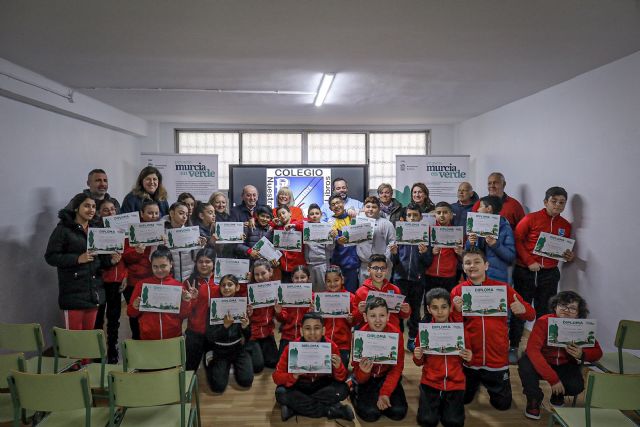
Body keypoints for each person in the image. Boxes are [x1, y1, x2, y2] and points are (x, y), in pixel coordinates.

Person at [450, 250, 535, 411]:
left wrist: (523, 308)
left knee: (502, 405)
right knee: (464, 400)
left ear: (486, 265)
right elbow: (454, 327)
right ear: (463, 267)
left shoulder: (502, 289)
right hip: (470, 359)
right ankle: (474, 384)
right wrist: (456, 311)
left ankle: (488, 383)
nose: (472, 266)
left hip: (496, 359)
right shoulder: (457, 291)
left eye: (477, 262)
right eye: (467, 263)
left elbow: (531, 315)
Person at [518, 291, 602, 420]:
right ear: (555, 306)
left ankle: (558, 395)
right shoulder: (543, 322)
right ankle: (534, 399)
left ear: (579, 312)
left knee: (576, 386)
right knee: (525, 363)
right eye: (563, 305)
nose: (567, 310)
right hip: (543, 362)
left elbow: (598, 352)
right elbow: (533, 350)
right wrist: (553, 380)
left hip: (565, 364)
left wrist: (582, 353)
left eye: (572, 308)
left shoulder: (583, 327)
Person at [510, 187, 575, 352]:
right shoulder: (530, 219)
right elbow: (517, 240)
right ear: (545, 202)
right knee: (521, 309)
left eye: (562, 203)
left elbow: (563, 249)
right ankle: (513, 346)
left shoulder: (565, 225)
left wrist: (569, 256)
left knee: (546, 312)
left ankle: (540, 349)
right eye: (554, 201)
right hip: (526, 270)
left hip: (549, 273)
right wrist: (529, 261)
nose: (558, 205)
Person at [45, 193, 120, 330]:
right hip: (73, 293)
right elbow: (51, 256)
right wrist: (77, 259)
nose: (91, 209)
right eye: (86, 206)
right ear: (76, 208)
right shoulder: (63, 230)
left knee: (89, 339)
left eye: (93, 206)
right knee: (74, 341)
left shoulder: (96, 229)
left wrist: (111, 261)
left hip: (94, 293)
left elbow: (101, 261)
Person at [273, 312, 353, 421]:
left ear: (323, 330)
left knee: (343, 389)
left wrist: (338, 367)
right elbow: (276, 377)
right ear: (301, 331)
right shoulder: (291, 348)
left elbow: (341, 378)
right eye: (307, 328)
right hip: (299, 385)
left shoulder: (331, 347)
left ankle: (295, 408)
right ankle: (330, 410)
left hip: (322, 386)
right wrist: (293, 376)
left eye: (317, 328)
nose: (312, 333)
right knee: (280, 393)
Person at [413, 288, 472, 427]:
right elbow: (418, 362)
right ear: (428, 309)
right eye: (435, 307)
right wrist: (418, 356)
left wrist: (469, 357)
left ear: (450, 308)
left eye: (444, 307)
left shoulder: (460, 330)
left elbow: (469, 359)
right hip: (430, 382)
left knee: (454, 422)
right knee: (427, 421)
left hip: (455, 382)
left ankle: (444, 406)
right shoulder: (424, 331)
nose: (440, 312)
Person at [351, 297, 408, 422]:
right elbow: (357, 370)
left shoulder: (396, 334)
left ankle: (382, 395)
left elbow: (397, 368)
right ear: (365, 317)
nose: (377, 320)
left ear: (388, 316)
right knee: (371, 415)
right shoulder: (360, 335)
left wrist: (385, 393)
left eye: (382, 315)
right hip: (367, 379)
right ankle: (353, 391)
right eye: (372, 316)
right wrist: (364, 372)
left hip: (386, 376)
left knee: (398, 413)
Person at [387, 202, 432, 350]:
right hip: (400, 279)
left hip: (417, 280)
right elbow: (394, 261)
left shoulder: (425, 237)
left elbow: (428, 262)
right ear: (404, 218)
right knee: (397, 310)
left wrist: (425, 252)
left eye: (415, 216)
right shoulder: (399, 236)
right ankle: (397, 338)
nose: (412, 218)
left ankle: (412, 339)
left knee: (414, 312)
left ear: (420, 218)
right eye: (409, 215)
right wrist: (393, 254)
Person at [127, 246, 194, 340]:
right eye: (155, 266)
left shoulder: (178, 287)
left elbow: (184, 315)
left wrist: (186, 302)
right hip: (148, 337)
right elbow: (130, 313)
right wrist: (135, 306)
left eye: (163, 266)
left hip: (173, 336)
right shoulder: (142, 285)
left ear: (171, 264)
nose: (159, 270)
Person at [205, 274, 253, 393]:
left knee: (246, 381)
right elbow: (210, 336)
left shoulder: (242, 305)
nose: (226, 288)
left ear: (237, 287)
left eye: (230, 284)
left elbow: (247, 336)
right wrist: (225, 327)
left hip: (237, 348)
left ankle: (238, 364)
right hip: (220, 350)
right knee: (218, 387)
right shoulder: (213, 307)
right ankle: (209, 361)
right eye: (223, 285)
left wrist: (245, 326)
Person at [94, 200, 127, 363]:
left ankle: (112, 348)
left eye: (113, 209)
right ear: (99, 213)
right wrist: (109, 262)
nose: (110, 212)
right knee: (98, 318)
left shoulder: (124, 231)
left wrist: (125, 274)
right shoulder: (95, 232)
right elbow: (93, 260)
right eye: (105, 210)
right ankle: (98, 350)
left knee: (114, 318)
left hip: (116, 281)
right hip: (100, 282)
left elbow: (129, 257)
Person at [121, 199, 160, 339]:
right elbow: (123, 257)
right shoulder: (133, 231)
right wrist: (136, 251)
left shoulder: (161, 231)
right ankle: (137, 342)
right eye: (150, 213)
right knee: (135, 314)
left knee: (152, 314)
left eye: (156, 213)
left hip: (154, 279)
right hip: (134, 281)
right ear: (141, 214)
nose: (154, 216)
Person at [354, 254, 411, 332]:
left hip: (391, 333)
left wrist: (406, 310)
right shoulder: (361, 292)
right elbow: (354, 320)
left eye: (382, 268)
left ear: (387, 270)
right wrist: (359, 311)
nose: (379, 271)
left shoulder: (395, 289)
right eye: (375, 268)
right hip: (369, 334)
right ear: (368, 270)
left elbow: (403, 315)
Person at [466, 195, 515, 283]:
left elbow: (510, 257)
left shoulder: (505, 228)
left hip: (496, 279)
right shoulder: (475, 226)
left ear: (489, 208)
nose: (477, 210)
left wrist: (495, 245)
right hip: (476, 277)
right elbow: (466, 253)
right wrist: (471, 243)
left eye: (480, 206)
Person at [316, 265, 358, 368]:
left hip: (343, 344)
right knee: (325, 372)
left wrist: (351, 319)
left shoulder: (351, 297)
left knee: (340, 372)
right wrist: (314, 312)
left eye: (336, 280)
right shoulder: (321, 298)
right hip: (324, 342)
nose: (333, 284)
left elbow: (355, 322)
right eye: (329, 281)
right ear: (325, 282)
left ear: (342, 280)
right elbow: (317, 322)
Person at [184, 248, 218, 371]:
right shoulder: (189, 282)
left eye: (208, 261)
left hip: (216, 332)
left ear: (214, 263)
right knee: (189, 369)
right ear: (196, 263)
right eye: (200, 261)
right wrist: (191, 299)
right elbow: (184, 313)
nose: (204, 265)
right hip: (195, 332)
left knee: (214, 374)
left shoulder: (221, 280)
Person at [246, 259, 279, 373]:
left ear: (270, 272)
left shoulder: (276, 289)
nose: (260, 277)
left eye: (263, 273)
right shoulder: (249, 290)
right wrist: (248, 314)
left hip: (268, 332)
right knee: (257, 367)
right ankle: (247, 349)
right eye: (257, 274)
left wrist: (278, 311)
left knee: (273, 362)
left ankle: (260, 350)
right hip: (253, 334)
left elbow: (281, 318)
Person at [424, 202, 463, 299]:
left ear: (451, 215)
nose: (442, 215)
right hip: (430, 274)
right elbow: (422, 252)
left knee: (447, 302)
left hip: (449, 275)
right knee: (429, 301)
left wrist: (461, 253)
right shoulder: (428, 231)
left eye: (445, 212)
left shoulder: (457, 232)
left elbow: (463, 257)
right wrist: (431, 252)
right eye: (439, 212)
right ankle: (428, 315)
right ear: (435, 215)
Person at [356, 196, 396, 283]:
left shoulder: (387, 224)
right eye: (368, 207)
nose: (370, 209)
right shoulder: (357, 223)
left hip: (381, 266)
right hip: (364, 264)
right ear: (363, 208)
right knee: (364, 293)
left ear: (379, 208)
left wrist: (384, 259)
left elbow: (392, 242)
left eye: (374, 207)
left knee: (381, 292)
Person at [276, 265, 312, 358]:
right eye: (296, 278)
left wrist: (311, 312)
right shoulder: (286, 295)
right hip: (287, 336)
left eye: (303, 277)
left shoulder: (313, 298)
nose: (299, 280)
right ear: (292, 279)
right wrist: (279, 312)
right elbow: (282, 319)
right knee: (283, 364)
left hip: (306, 337)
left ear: (308, 278)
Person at [164, 201, 205, 282]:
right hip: (169, 279)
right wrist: (162, 246)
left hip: (189, 278)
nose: (184, 217)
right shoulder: (163, 233)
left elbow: (196, 258)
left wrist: (200, 246)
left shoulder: (191, 232)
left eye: (186, 214)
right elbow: (152, 257)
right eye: (181, 213)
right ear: (172, 213)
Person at [328, 194, 360, 292]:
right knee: (337, 293)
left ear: (343, 203)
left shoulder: (353, 215)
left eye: (338, 203)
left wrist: (355, 213)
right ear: (330, 208)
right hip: (338, 263)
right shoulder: (331, 221)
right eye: (333, 204)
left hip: (352, 263)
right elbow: (333, 239)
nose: (336, 206)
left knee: (351, 293)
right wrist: (336, 239)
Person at [303, 203, 333, 292]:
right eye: (312, 214)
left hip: (322, 263)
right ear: (308, 216)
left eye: (317, 213)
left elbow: (330, 248)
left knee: (323, 289)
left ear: (321, 215)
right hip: (309, 264)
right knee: (311, 291)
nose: (314, 216)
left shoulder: (327, 227)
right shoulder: (305, 227)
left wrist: (332, 238)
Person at [273, 205, 306, 283]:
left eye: (283, 213)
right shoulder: (279, 228)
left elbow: (307, 226)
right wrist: (274, 224)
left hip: (298, 267)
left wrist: (294, 225)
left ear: (290, 213)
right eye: (279, 215)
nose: (282, 216)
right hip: (285, 268)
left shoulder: (298, 223)